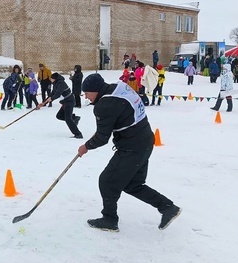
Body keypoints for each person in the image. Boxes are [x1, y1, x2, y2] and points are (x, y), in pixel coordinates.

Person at [77, 74, 181, 232]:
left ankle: (109, 219)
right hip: (145, 140)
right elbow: (114, 121)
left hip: (131, 147)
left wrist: (86, 146)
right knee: (132, 184)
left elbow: (102, 138)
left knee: (107, 181)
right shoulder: (116, 88)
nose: (86, 96)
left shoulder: (104, 105)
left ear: (96, 90)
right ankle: (167, 207)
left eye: (87, 93)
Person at [37, 73, 82, 139]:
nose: (50, 80)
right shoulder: (56, 84)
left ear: (54, 79)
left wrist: (51, 99)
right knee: (59, 116)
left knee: (68, 119)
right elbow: (52, 94)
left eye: (51, 78)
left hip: (69, 101)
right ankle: (74, 118)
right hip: (65, 102)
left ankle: (78, 134)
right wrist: (43, 103)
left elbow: (58, 94)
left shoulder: (61, 83)